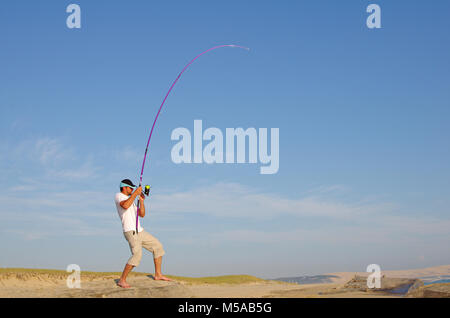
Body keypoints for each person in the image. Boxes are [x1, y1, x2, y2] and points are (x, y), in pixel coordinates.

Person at [114, 179, 171, 288]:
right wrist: (135, 193)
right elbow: (125, 206)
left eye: (133, 188)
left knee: (157, 246)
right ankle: (122, 280)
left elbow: (142, 214)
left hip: (140, 230)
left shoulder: (132, 201)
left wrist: (141, 200)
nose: (132, 189)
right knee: (137, 255)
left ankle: (158, 274)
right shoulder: (119, 196)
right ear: (124, 187)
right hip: (130, 231)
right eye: (130, 188)